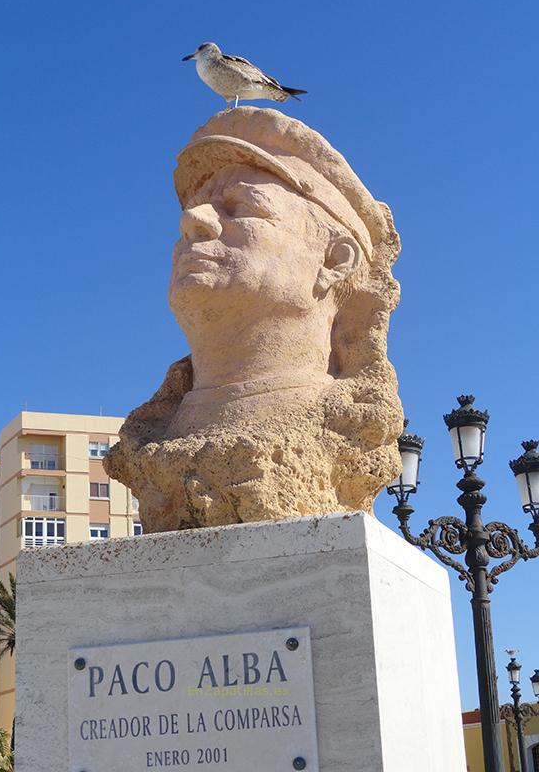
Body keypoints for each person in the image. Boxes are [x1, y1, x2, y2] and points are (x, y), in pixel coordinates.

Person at [105, 108, 403, 533]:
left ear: (334, 259)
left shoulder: (336, 428)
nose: (193, 220)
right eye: (194, 209)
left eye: (237, 207)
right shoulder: (152, 435)